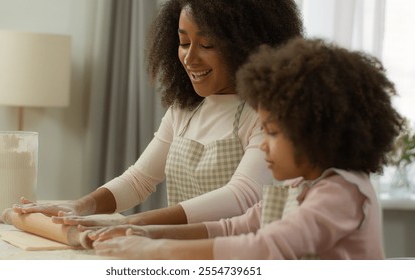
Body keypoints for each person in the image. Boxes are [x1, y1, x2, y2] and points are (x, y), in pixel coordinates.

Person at [86, 37, 403, 259]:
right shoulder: (298, 186)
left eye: (273, 132)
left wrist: (157, 251)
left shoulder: (342, 194)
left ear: (317, 133)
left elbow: (265, 248)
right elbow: (235, 227)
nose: (263, 145)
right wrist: (149, 234)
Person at [13, 0, 303, 228]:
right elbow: (139, 180)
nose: (189, 58)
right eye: (184, 42)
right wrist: (79, 206)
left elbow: (242, 197)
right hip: (181, 253)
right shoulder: (184, 109)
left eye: (207, 45)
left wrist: (139, 224)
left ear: (248, 44)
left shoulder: (266, 114)